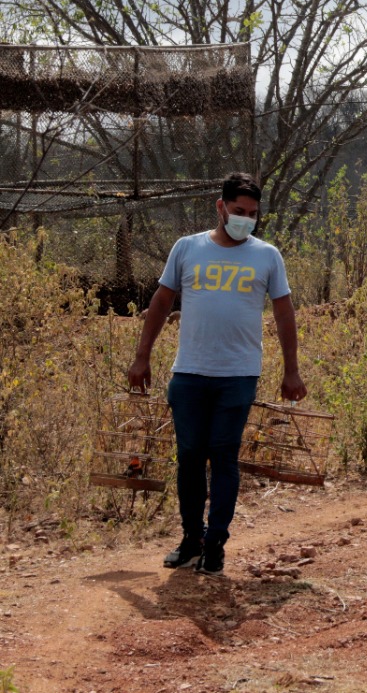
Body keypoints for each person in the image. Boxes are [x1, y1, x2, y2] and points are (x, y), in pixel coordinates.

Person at [128, 172, 306, 576]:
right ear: (220, 206)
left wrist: (292, 370)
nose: (245, 219)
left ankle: (216, 542)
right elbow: (161, 301)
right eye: (238, 211)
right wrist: (142, 357)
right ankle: (192, 537)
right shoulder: (187, 248)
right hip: (189, 372)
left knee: (223, 454)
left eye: (253, 214)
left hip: (238, 375)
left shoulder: (267, 256)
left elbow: (283, 313)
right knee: (190, 456)